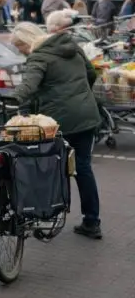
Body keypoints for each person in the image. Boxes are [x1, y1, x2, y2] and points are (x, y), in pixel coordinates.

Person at [9, 22, 103, 239]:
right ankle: (92, 221)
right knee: (82, 167)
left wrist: (12, 99)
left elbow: (29, 87)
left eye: (20, 47)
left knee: (50, 166)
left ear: (27, 41)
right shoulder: (72, 46)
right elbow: (91, 73)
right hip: (87, 115)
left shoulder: (39, 57)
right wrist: (80, 94)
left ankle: (47, 215)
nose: (21, 52)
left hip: (58, 120)